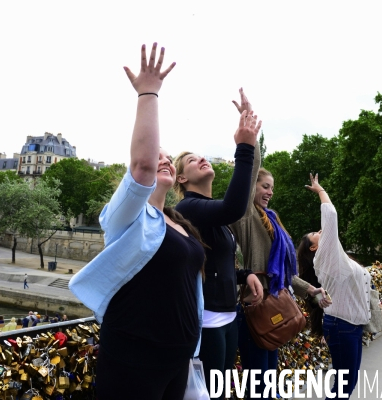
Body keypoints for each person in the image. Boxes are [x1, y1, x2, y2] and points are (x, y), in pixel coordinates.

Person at [69, 43, 206, 400]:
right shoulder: (126, 216)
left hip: (178, 356)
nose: (162, 160)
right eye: (156, 155)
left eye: (167, 158)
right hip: (135, 357)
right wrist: (149, 93)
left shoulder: (178, 222)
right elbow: (142, 165)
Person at [228, 90, 331, 398]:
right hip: (256, 305)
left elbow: (284, 274)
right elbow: (245, 180)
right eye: (264, 186)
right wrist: (249, 137)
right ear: (252, 186)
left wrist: (311, 291)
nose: (269, 191)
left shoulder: (272, 220)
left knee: (267, 382)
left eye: (272, 187)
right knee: (259, 384)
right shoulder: (245, 215)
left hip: (274, 300)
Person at [173, 91, 264, 391]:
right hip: (208, 321)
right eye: (190, 160)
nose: (200, 158)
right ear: (182, 180)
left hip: (228, 315)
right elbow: (234, 206)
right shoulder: (187, 208)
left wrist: (245, 274)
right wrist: (243, 147)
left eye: (200, 155)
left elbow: (245, 185)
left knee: (222, 393)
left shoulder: (214, 217)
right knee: (212, 395)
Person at [297, 173, 382, 398]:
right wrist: (320, 191)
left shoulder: (340, 259)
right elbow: (330, 216)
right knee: (344, 386)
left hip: (349, 327)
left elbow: (366, 297)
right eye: (314, 234)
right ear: (312, 248)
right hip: (342, 326)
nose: (318, 231)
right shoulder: (325, 258)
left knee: (346, 384)